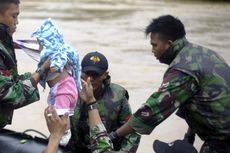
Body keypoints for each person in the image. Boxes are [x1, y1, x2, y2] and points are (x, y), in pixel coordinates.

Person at [111, 15, 230, 153]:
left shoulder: (182, 69)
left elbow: (151, 110)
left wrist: (114, 135)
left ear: (169, 43)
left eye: (154, 45)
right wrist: (189, 137)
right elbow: (202, 103)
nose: (152, 50)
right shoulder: (205, 54)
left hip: (223, 140)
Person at [67, 51, 141, 152]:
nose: (91, 79)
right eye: (88, 74)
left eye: (95, 75)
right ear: (81, 73)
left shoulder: (118, 96)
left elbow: (131, 131)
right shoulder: (70, 92)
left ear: (105, 75)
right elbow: (60, 128)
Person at [0, 0, 50, 129]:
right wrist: (41, 71)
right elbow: (9, 95)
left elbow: (10, 82)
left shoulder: (5, 42)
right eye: (14, 16)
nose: (17, 22)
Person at [31, 18, 81, 146]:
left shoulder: (57, 53)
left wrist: (54, 66)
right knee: (57, 112)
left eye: (41, 43)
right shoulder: (50, 53)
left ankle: (64, 134)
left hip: (64, 88)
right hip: (60, 88)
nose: (40, 46)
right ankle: (60, 134)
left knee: (61, 114)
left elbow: (60, 59)